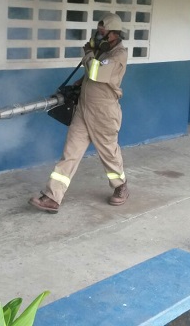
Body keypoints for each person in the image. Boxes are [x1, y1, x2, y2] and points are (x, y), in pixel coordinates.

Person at [29, 12, 129, 213]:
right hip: (84, 109)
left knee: (109, 153)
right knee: (70, 153)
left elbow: (97, 73)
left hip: (104, 112)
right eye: (97, 32)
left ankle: (121, 187)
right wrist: (79, 83)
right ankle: (52, 196)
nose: (98, 36)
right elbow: (90, 76)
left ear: (114, 34)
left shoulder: (117, 55)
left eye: (102, 33)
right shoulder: (101, 51)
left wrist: (88, 53)